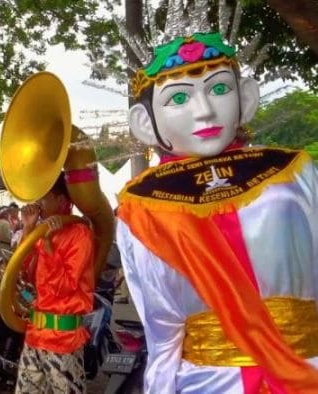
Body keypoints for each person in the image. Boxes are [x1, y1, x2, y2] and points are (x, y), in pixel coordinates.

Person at [117, 32, 318, 392]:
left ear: (247, 98)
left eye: (219, 89)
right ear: (144, 123)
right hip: (210, 380)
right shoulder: (141, 205)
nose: (204, 110)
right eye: (178, 97)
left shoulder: (297, 171)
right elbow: (163, 333)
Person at [13, 172, 94, 393]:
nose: (38, 203)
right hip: (36, 335)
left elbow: (65, 286)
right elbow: (23, 272)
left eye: (45, 197)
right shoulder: (41, 232)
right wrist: (29, 229)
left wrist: (47, 245)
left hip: (62, 339)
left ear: (62, 201)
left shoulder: (80, 233)